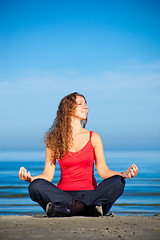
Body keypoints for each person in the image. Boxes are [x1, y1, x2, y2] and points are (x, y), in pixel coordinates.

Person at [19, 92, 138, 217]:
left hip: (90, 195)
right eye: (80, 104)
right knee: (35, 187)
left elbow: (103, 171)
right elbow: (47, 175)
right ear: (68, 109)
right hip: (63, 196)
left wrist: (123, 174)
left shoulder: (94, 137)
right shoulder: (54, 139)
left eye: (86, 104)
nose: (85, 107)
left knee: (118, 182)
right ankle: (85, 209)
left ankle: (69, 210)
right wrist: (30, 179)